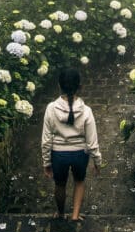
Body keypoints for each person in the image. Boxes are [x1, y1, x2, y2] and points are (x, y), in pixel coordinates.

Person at [41, 67, 102, 221]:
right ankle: (75, 215)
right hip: (80, 154)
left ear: (59, 85)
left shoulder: (50, 108)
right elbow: (92, 140)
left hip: (58, 155)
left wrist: (46, 162)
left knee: (60, 185)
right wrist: (97, 161)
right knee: (79, 182)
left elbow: (46, 139)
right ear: (79, 86)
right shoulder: (86, 110)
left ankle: (61, 214)